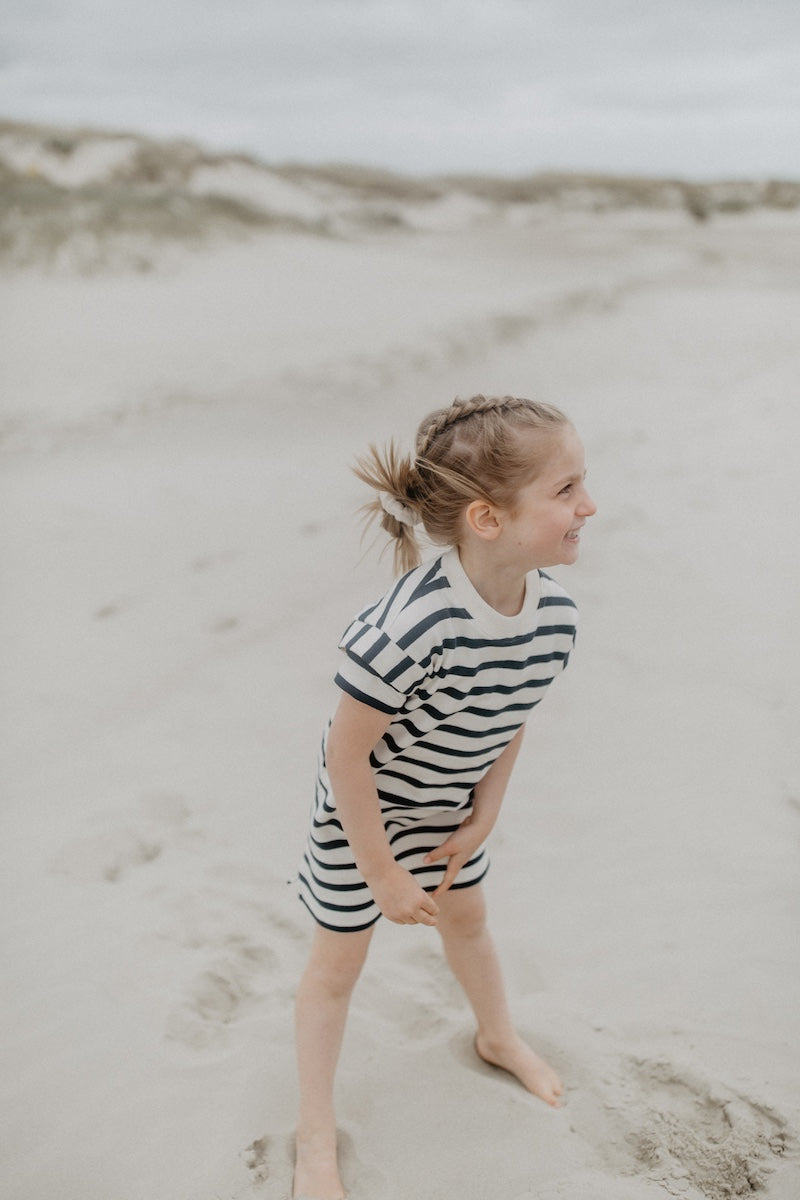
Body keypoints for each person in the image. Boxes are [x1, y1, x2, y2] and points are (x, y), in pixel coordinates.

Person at [293, 394, 596, 1200]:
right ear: (487, 518)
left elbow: (511, 711)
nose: (589, 506)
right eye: (565, 490)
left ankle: (498, 1036)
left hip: (450, 808)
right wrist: (383, 872)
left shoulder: (554, 616)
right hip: (362, 818)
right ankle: (314, 1136)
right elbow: (346, 751)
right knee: (336, 966)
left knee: (468, 918)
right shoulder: (409, 629)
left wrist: (485, 811)